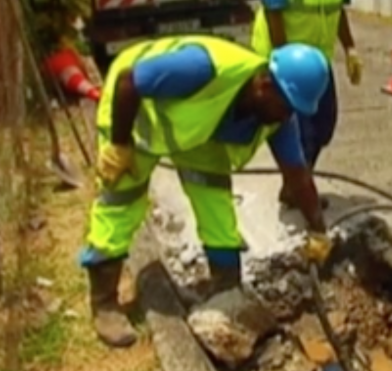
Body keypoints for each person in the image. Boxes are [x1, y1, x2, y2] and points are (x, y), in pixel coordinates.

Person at [79, 35, 335, 348]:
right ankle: (105, 303)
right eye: (285, 106)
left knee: (216, 204)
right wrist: (119, 145)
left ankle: (225, 291)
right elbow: (129, 81)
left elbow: (297, 175)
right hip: (135, 114)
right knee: (122, 202)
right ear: (264, 83)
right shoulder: (204, 68)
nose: (286, 116)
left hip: (197, 134)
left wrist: (318, 230)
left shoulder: (279, 118)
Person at [250, 0, 362, 208]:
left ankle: (296, 184)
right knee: (301, 132)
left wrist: (350, 48)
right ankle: (298, 188)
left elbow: (337, 11)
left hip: (317, 62)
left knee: (324, 125)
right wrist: (283, 63)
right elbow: (274, 15)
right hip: (286, 61)